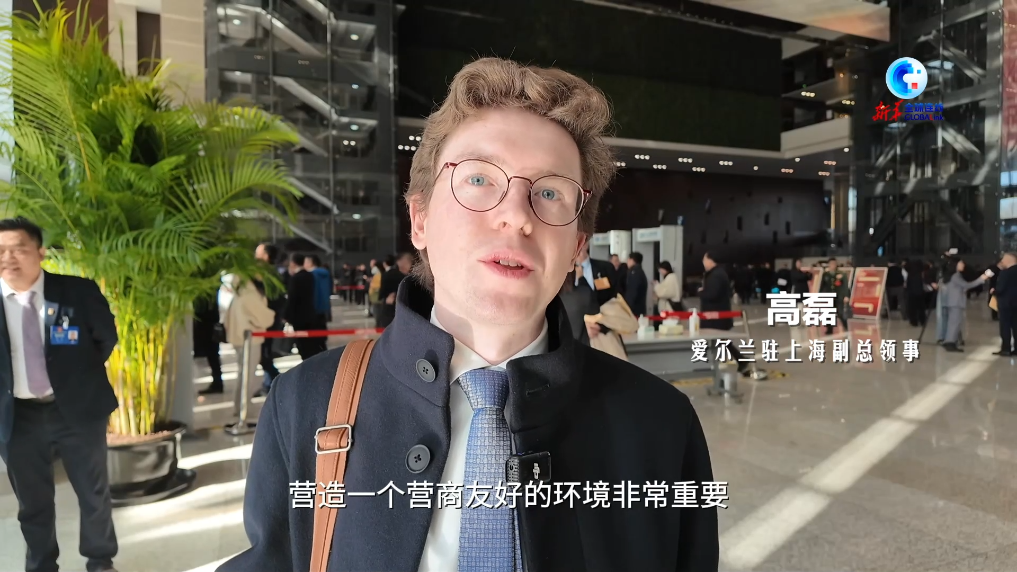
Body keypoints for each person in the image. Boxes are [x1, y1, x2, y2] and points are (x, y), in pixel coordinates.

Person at [219, 57, 718, 572]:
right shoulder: (306, 404)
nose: (516, 216)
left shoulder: (660, 424)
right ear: (419, 219)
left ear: (577, 246)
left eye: (549, 192)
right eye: (479, 178)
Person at [0, 217, 120, 572]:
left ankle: (100, 561)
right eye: (0, 251)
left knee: (93, 493)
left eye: (18, 249)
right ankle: (41, 565)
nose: (8, 258)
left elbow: (105, 338)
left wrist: (74, 379)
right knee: (32, 502)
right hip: (17, 417)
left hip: (77, 410)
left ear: (40, 252)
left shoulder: (76, 291)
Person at [224, 273, 276, 394]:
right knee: (247, 375)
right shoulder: (250, 293)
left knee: (243, 373)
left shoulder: (239, 292)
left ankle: (241, 404)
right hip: (250, 338)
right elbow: (264, 317)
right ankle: (244, 405)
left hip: (239, 337)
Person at [700, 252, 749, 377]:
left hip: (715, 315)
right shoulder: (717, 273)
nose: (703, 262)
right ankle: (741, 360)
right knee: (721, 341)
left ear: (711, 260)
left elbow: (713, 294)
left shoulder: (716, 275)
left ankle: (703, 365)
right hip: (715, 315)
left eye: (704, 259)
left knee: (710, 340)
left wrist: (701, 292)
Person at [940, 257, 991, 352]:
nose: (963, 265)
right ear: (956, 265)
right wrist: (981, 279)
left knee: (953, 323)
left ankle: (949, 341)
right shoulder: (956, 276)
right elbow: (967, 285)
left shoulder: (952, 275)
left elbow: (960, 287)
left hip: (953, 301)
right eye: (961, 263)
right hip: (956, 302)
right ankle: (950, 342)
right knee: (955, 323)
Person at [253, 243, 284, 397]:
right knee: (264, 353)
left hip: (267, 319)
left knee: (263, 354)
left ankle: (278, 381)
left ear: (265, 256)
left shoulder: (268, 274)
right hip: (267, 318)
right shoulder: (270, 272)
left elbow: (271, 297)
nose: (255, 256)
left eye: (257, 253)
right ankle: (268, 383)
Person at [284, 253, 323, 360]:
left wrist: (286, 315)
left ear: (293, 263)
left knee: (302, 343)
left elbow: (292, 298)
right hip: (310, 313)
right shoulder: (310, 276)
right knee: (310, 343)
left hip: (298, 316)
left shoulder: (295, 278)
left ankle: (306, 362)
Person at [194, 292, 225, 395]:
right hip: (209, 324)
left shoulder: (206, 294)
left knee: (213, 355)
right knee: (213, 355)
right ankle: (217, 382)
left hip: (207, 326)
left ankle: (217, 383)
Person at [305, 254, 333, 354]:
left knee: (314, 339)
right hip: (324, 307)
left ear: (310, 263)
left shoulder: (310, 275)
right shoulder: (326, 274)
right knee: (322, 337)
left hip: (313, 309)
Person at [375, 252, 411, 328]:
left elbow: (382, 293)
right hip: (402, 308)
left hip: (388, 308)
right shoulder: (404, 276)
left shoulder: (385, 275)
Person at [992, 252, 1017, 356]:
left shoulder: (1005, 273)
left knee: (1005, 326)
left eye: (1003, 260)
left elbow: (1000, 289)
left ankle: (1006, 349)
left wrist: (994, 291)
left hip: (1005, 304)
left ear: (1008, 261)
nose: (1002, 262)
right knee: (1016, 326)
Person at [820, 258, 851, 334]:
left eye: (834, 263)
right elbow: (822, 286)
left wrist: (846, 296)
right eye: (831, 264)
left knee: (840, 313)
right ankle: (829, 329)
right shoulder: (826, 274)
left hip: (839, 297)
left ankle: (845, 326)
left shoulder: (841, 274)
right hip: (830, 297)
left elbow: (845, 286)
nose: (833, 265)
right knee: (829, 313)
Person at [624, 251, 648, 316]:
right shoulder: (640, 271)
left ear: (632, 260)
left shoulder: (634, 273)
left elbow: (632, 291)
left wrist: (627, 307)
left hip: (634, 309)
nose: (627, 262)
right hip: (639, 308)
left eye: (628, 260)